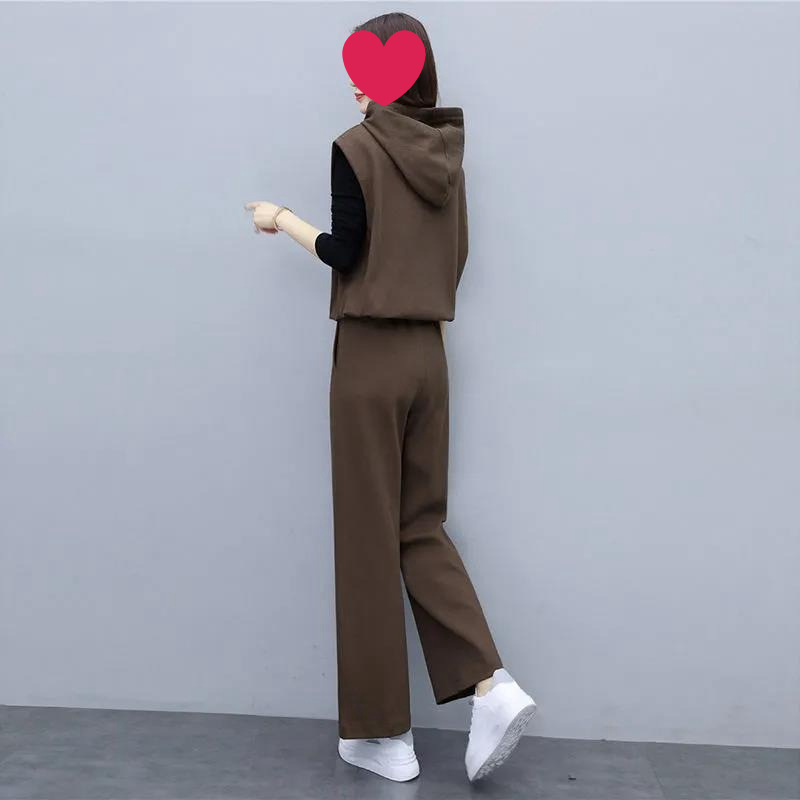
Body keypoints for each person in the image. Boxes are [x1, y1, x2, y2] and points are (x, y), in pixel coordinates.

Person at [245, 11, 537, 785]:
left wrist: (280, 218)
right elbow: (456, 258)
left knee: (368, 537)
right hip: (429, 356)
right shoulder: (449, 153)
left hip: (371, 356)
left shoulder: (357, 147)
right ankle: (491, 684)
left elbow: (345, 251)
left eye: (365, 74)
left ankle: (383, 738)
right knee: (420, 523)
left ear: (388, 80)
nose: (355, 87)